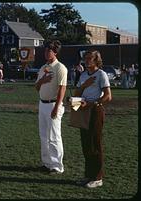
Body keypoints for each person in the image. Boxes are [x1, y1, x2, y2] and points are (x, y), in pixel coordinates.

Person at [73, 50, 112, 188]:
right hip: (83, 110)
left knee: (95, 144)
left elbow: (108, 96)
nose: (87, 60)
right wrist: (84, 85)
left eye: (90, 58)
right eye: (86, 58)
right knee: (86, 144)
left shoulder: (101, 74)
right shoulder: (83, 75)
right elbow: (77, 93)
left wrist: (92, 103)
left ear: (97, 60)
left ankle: (98, 177)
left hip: (95, 111)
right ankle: (88, 175)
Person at [35, 40, 67, 175]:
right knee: (43, 135)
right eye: (45, 50)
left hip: (54, 104)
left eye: (49, 50)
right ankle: (47, 163)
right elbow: (37, 87)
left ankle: (57, 166)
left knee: (54, 136)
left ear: (55, 52)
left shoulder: (60, 68)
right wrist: (42, 80)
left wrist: (56, 107)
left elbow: (62, 89)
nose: (46, 53)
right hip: (42, 104)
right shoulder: (43, 68)